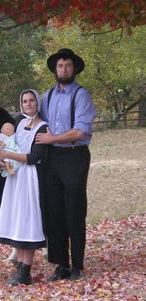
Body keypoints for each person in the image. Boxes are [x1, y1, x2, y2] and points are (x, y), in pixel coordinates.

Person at [36, 48, 97, 281]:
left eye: (68, 66)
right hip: (51, 159)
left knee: (74, 210)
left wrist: (53, 138)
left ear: (74, 69)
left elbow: (81, 131)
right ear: (55, 69)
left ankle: (78, 266)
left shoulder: (81, 95)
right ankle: (61, 264)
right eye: (60, 66)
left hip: (74, 156)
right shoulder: (47, 96)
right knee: (54, 212)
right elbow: (37, 121)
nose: (64, 70)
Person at [0, 89, 47, 285]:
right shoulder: (19, 123)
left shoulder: (42, 127)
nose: (28, 104)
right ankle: (22, 270)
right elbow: (4, 144)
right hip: (15, 176)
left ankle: (26, 270)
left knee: (28, 219)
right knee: (19, 219)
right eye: (24, 101)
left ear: (37, 103)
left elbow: (34, 157)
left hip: (30, 175)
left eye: (31, 100)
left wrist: (7, 155)